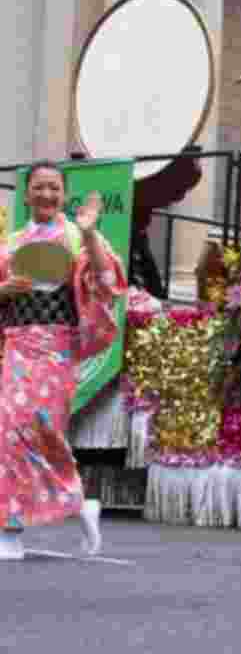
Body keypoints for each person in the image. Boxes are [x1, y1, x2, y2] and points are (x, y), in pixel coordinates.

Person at [0, 161, 128, 560]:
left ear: (64, 194)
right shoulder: (11, 243)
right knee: (8, 430)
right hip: (19, 346)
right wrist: (4, 290)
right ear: (26, 194)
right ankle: (10, 529)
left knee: (42, 431)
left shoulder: (75, 238)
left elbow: (107, 284)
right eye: (39, 187)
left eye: (54, 188)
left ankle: (75, 502)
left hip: (57, 348)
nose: (46, 195)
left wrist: (90, 235)